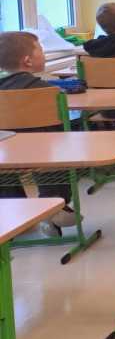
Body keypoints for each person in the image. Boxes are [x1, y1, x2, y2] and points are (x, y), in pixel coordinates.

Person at [0, 31, 75, 234]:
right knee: (56, 149)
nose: (44, 54)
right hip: (45, 155)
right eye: (41, 50)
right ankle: (55, 204)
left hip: (6, 153)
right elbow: (61, 126)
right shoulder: (49, 91)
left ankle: (14, 212)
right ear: (27, 61)